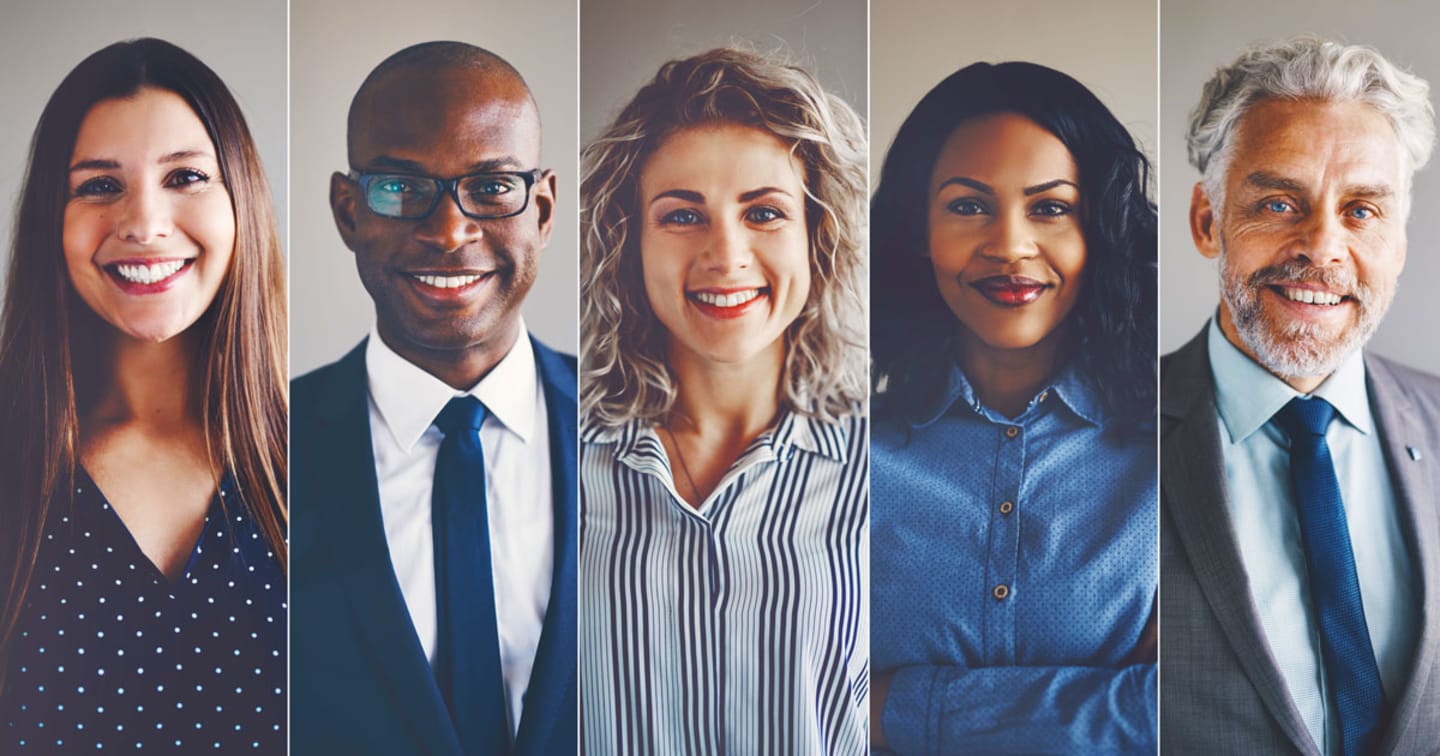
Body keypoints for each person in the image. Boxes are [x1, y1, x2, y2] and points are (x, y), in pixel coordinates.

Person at [578, 47, 869, 754]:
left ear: (816, 239)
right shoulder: (551, 463)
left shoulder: (886, 468)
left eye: (764, 212)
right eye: (683, 217)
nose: (727, 253)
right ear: (630, 243)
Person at [0, 38, 288, 752]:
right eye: (100, 185)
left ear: (240, 202)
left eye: (185, 176)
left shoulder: (344, 458)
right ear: (51, 221)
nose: (144, 223)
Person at [289, 41, 576, 755]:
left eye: (491, 187)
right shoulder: (255, 445)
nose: (450, 231)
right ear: (347, 210)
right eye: (400, 186)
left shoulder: (645, 426)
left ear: (542, 208)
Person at [867, 61, 1158, 754]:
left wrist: (892, 709)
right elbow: (796, 700)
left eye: (1050, 208)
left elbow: (1169, 714)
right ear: (918, 231)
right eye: (968, 206)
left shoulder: (1175, 453)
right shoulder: (844, 461)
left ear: (1101, 228)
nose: (1009, 247)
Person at [1163, 36, 1440, 754]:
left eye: (1362, 212)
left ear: (1399, 241)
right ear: (1206, 219)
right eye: (1280, 202)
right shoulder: (1108, 433)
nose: (1322, 248)